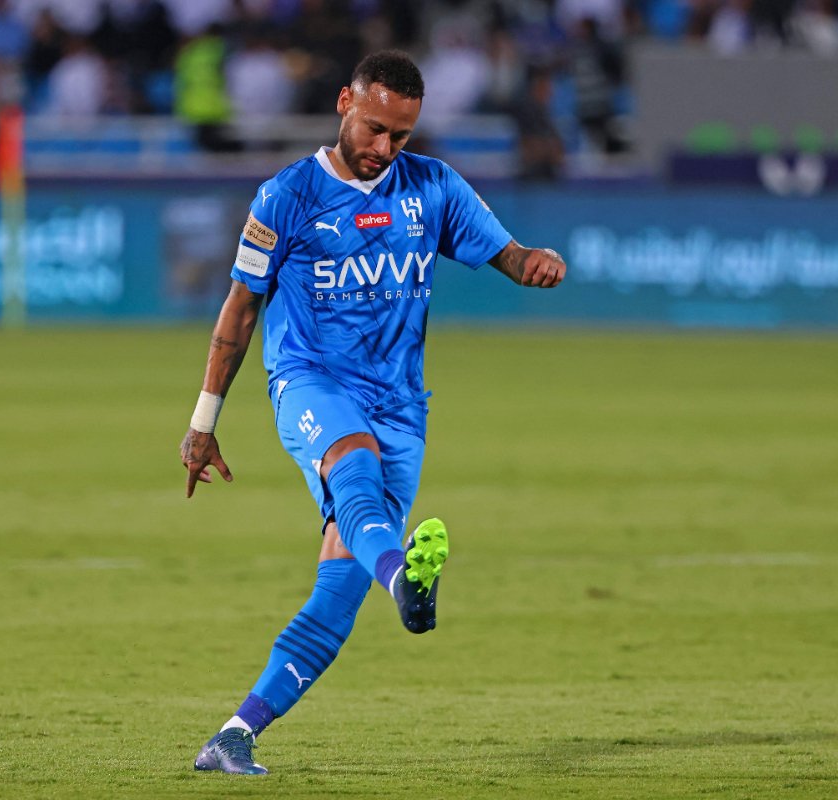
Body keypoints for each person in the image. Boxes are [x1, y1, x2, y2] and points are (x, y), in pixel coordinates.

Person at [179, 49, 566, 776]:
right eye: (374, 127)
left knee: (336, 591)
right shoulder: (287, 196)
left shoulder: (433, 188)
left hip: (401, 407)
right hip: (311, 382)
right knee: (352, 466)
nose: (383, 148)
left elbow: (508, 255)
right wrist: (203, 423)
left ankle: (232, 737)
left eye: (400, 136)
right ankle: (406, 583)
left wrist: (535, 261)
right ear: (343, 103)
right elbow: (238, 312)